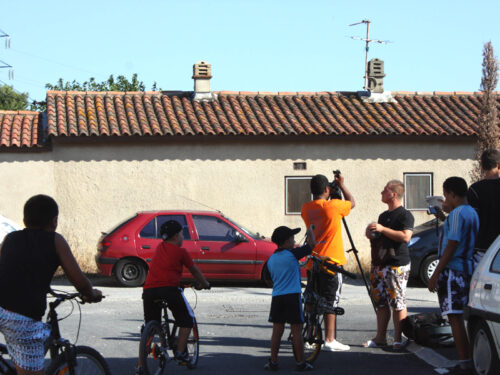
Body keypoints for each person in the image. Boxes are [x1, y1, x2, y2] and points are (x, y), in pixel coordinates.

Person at [0, 194, 103, 375]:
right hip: (22, 319)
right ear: (54, 221)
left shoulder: (10, 238)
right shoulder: (56, 240)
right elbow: (79, 280)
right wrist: (91, 293)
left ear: (24, 220)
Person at [138, 220, 210, 374]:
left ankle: (141, 363)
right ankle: (179, 354)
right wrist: (204, 284)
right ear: (177, 235)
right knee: (186, 320)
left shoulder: (159, 248)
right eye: (182, 234)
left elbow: (165, 267)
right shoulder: (181, 252)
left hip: (149, 291)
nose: (183, 237)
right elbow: (195, 271)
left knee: (151, 325)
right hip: (169, 290)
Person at [428, 177, 479, 375]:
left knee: (454, 317)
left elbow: (452, 243)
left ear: (451, 193)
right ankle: (468, 357)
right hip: (467, 267)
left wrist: (436, 273)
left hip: (453, 270)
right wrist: (443, 216)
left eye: (446, 195)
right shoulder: (471, 212)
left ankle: (464, 360)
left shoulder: (457, 213)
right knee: (460, 315)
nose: (445, 200)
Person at [301, 173, 355, 351]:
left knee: (312, 299)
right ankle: (330, 339)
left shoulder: (306, 208)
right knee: (331, 300)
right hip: (331, 262)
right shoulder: (333, 206)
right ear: (327, 190)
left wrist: (331, 192)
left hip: (313, 262)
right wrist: (342, 185)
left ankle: (309, 335)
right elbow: (352, 202)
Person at [362, 180, 414, 350]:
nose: (381, 193)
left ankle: (398, 339)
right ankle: (380, 337)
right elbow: (380, 237)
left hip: (396, 265)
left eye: (385, 190)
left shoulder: (405, 215)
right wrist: (371, 234)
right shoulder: (383, 216)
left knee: (397, 302)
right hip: (379, 263)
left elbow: (406, 237)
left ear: (393, 194)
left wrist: (383, 229)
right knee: (381, 302)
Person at [264, 225, 316, 372]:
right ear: (286, 242)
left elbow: (268, 280)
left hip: (277, 297)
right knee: (297, 331)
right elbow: (312, 245)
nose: (294, 241)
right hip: (292, 296)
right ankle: (301, 363)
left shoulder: (271, 259)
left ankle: (273, 362)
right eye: (292, 238)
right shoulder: (293, 254)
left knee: (277, 331)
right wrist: (310, 229)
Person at [467, 148, 500, 253]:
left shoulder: (475, 189)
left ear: (482, 167)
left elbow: (471, 221)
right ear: (499, 165)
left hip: (481, 248)